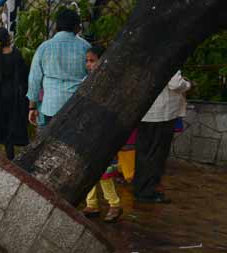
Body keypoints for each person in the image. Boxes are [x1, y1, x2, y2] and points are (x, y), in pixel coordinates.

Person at [27, 9, 90, 127]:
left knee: (49, 142)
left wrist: (32, 107)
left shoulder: (44, 47)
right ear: (77, 27)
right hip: (76, 105)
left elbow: (34, 80)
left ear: (57, 26)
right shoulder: (85, 47)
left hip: (51, 106)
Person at [134, 70, 191, 203]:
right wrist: (188, 84)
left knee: (144, 153)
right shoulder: (169, 55)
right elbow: (175, 84)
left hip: (146, 111)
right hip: (162, 113)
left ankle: (140, 189)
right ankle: (149, 192)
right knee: (156, 154)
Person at [81, 46, 123, 222]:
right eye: (87, 61)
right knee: (87, 170)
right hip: (89, 130)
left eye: (92, 60)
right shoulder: (87, 80)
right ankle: (92, 204)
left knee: (103, 172)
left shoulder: (111, 83)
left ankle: (114, 204)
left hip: (102, 131)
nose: (88, 64)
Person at [0, 27, 29, 159]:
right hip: (12, 95)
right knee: (10, 123)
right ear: (8, 38)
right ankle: (10, 155)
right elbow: (24, 73)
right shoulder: (17, 54)